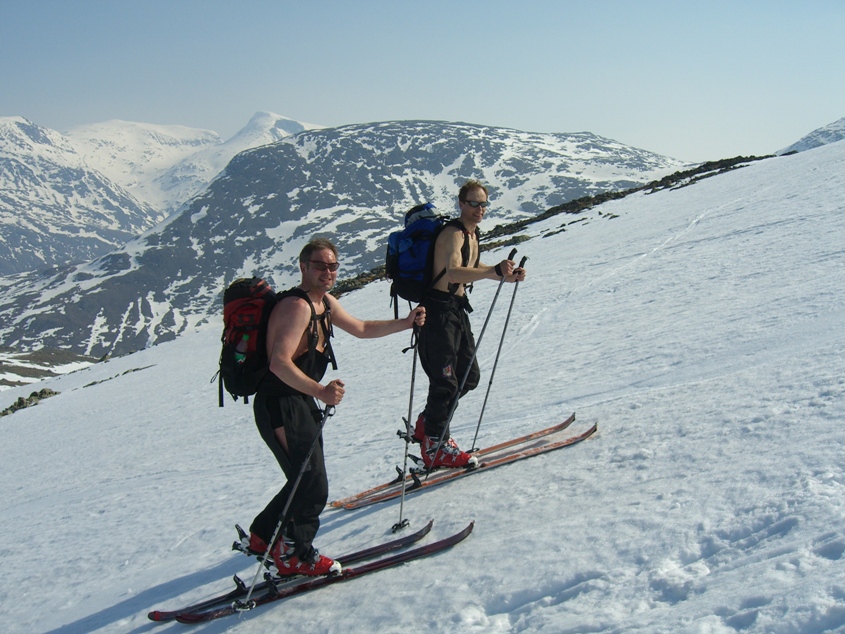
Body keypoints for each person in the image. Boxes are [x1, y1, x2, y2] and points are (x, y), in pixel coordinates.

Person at [247, 237, 425, 576]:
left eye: (332, 266)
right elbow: (279, 363)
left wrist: (405, 323)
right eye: (320, 266)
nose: (327, 272)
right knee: (312, 483)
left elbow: (361, 328)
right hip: (281, 404)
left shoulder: (324, 303)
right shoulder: (297, 307)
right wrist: (321, 391)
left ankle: (263, 536)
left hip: (298, 400)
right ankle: (294, 554)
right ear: (304, 267)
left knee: (304, 478)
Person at [414, 180, 526, 469]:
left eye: (483, 204)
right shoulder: (453, 233)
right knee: (446, 382)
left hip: (455, 311)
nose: (480, 209)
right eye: (474, 203)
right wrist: (493, 271)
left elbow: (471, 268)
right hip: (437, 313)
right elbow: (453, 273)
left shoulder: (472, 235)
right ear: (461, 204)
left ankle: (428, 422)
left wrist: (503, 275)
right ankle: (435, 445)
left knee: (469, 376)